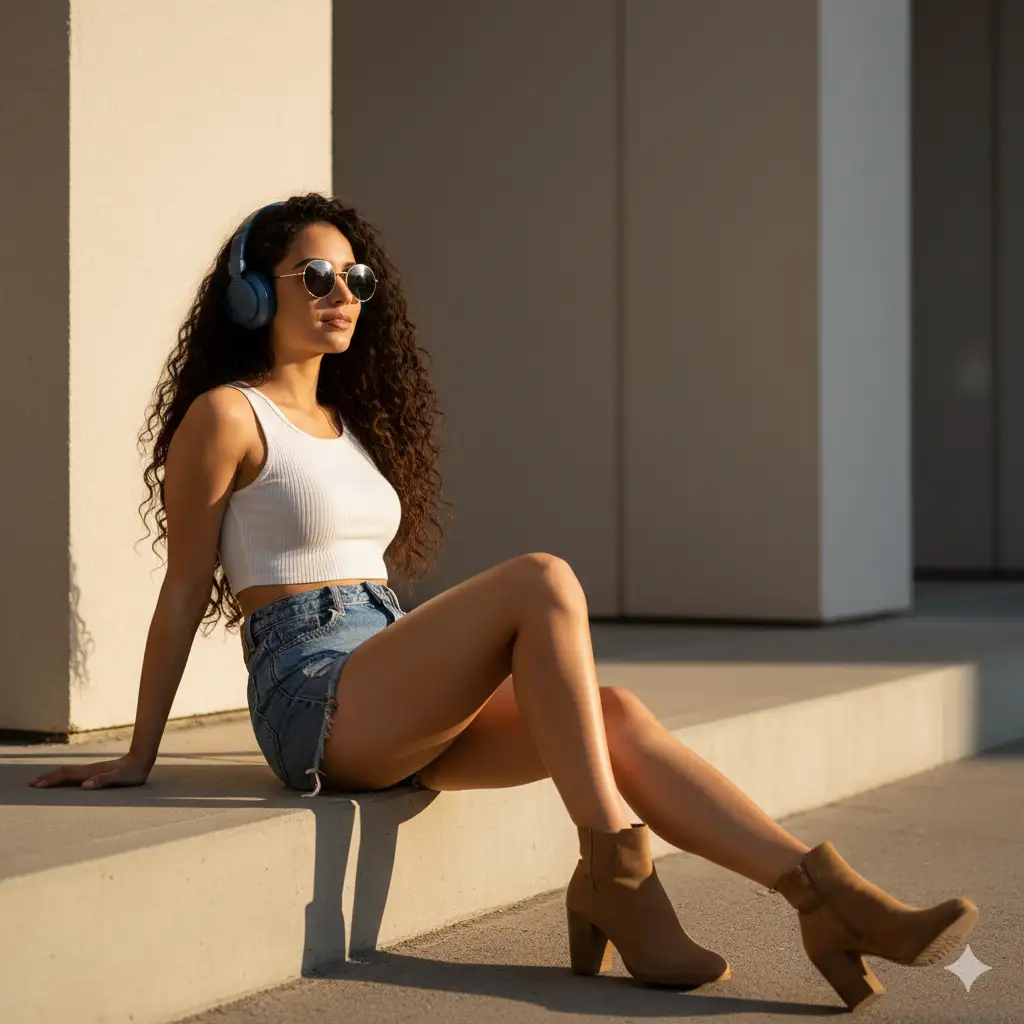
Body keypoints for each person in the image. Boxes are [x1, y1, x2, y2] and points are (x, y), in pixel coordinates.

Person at [29, 193, 977, 1009]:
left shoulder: (347, 425)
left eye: (357, 281)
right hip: (313, 695)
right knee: (541, 578)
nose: (342, 297)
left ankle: (824, 900)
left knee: (614, 713)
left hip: (383, 668)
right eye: (314, 277)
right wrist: (138, 753)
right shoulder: (226, 414)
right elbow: (185, 586)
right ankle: (616, 871)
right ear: (252, 292)